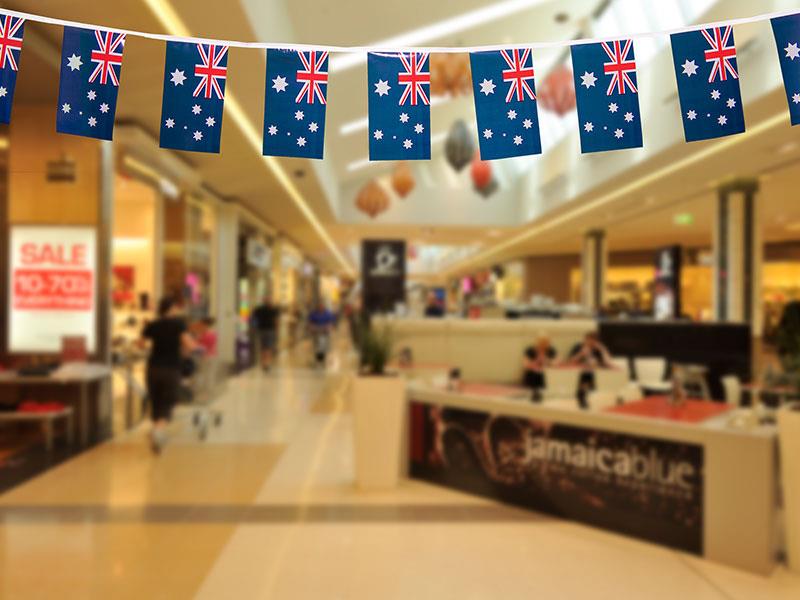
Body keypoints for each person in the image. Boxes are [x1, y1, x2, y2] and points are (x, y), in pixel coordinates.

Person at [141, 297, 201, 454]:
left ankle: (156, 430)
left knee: (156, 400)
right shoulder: (178, 324)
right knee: (168, 401)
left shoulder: (153, 324)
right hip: (171, 368)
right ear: (172, 308)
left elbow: (141, 343)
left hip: (153, 368)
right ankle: (158, 431)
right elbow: (189, 345)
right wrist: (196, 347)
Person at [566, 332, 613, 409]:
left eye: (592, 340)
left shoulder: (599, 349)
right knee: (584, 380)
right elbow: (572, 360)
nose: (589, 342)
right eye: (587, 339)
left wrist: (602, 350)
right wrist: (581, 354)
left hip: (598, 373)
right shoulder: (579, 347)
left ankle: (585, 397)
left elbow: (608, 362)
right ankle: (582, 398)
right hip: (582, 372)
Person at [522, 336, 557, 402]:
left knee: (547, 375)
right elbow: (525, 364)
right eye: (541, 343)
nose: (543, 345)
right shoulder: (530, 350)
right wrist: (536, 362)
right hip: (533, 373)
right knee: (534, 374)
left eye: (545, 343)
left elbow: (556, 363)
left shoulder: (551, 350)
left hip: (546, 373)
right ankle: (534, 394)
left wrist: (547, 361)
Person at [251, 296, 280, 372]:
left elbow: (254, 319)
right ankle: (266, 363)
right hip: (268, 330)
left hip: (264, 330)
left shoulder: (260, 309)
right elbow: (276, 321)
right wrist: (277, 331)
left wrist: (254, 328)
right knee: (267, 347)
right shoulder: (272, 310)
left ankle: (265, 362)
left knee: (264, 347)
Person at [308, 302, 335, 367]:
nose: (321, 308)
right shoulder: (314, 313)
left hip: (324, 331)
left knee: (323, 345)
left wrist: (329, 326)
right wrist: (312, 327)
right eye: (319, 306)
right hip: (316, 331)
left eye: (322, 306)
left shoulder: (327, 313)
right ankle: (318, 358)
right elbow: (310, 321)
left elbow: (331, 321)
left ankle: (322, 359)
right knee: (317, 345)